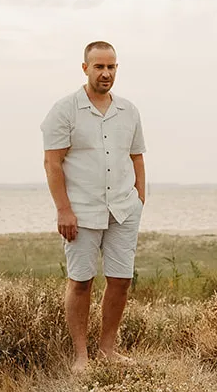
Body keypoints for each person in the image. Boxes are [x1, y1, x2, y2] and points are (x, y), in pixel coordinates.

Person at [40, 41, 146, 370]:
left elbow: (136, 156)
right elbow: (52, 164)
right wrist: (63, 210)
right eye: (99, 66)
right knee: (81, 281)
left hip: (123, 210)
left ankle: (108, 350)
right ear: (85, 68)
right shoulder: (64, 110)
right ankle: (81, 356)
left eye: (111, 67)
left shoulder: (128, 111)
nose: (106, 73)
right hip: (81, 212)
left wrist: (140, 198)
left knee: (120, 280)